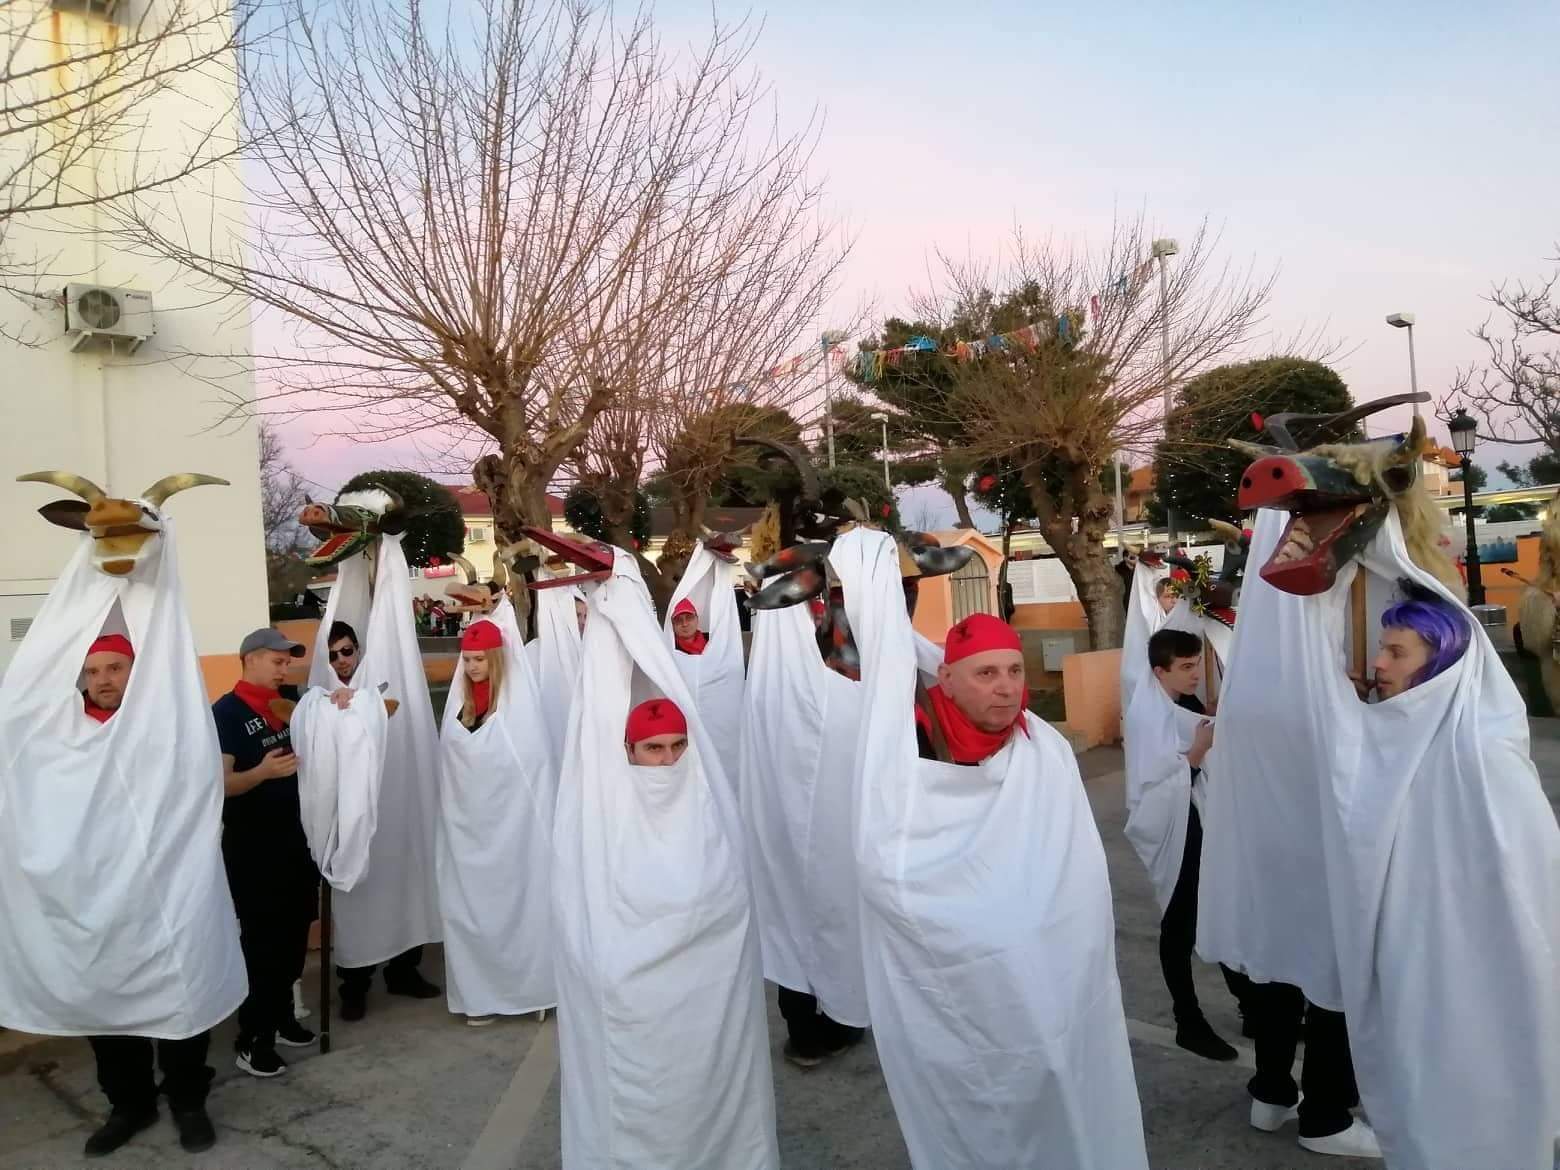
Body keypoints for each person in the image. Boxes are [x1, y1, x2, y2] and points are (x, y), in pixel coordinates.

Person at [836, 526, 1149, 1170]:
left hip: (1058, 984)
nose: (1006, 688)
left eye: (1013, 671)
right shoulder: (910, 745)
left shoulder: (1044, 750)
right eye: (985, 675)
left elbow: (1075, 874)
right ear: (946, 678)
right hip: (967, 991)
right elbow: (890, 867)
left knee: (1067, 1095)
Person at [555, 550, 777, 1170]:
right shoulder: (601, 823)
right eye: (652, 749)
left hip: (706, 1015)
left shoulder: (711, 815)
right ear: (627, 750)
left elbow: (730, 908)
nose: (668, 760)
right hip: (633, 1016)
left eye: (679, 746)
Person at [76, 636, 220, 1156]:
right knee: (110, 1003)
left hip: (168, 888)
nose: (103, 679)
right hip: (99, 897)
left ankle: (186, 1100)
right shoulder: (67, 734)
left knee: (180, 994)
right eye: (93, 671)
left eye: (114, 667)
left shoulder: (170, 724)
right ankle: (130, 1104)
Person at [213, 629, 333, 1079]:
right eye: (278, 661)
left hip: (297, 841)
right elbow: (220, 784)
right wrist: (261, 772)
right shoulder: (225, 712)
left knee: (294, 937)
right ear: (251, 660)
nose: (285, 669)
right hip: (253, 848)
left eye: (287, 662)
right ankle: (253, 1037)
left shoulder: (293, 704)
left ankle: (281, 1019)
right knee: (263, 946)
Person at [1124, 629, 1248, 1063]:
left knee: (1214, 911)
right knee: (1180, 923)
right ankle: (1187, 1021)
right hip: (1174, 828)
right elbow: (1149, 786)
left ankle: (1249, 1005)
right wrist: (1196, 752)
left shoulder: (1181, 704)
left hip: (1196, 820)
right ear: (1160, 671)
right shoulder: (1147, 715)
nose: (1197, 674)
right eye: (1187, 668)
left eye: (1198, 665)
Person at [436, 618, 557, 1027]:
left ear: (496, 659)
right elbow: (451, 762)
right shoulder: (458, 707)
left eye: (479, 660)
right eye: (467, 660)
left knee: (522, 904)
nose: (471, 667)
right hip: (469, 832)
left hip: (514, 832)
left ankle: (532, 989)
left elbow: (532, 765)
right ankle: (481, 994)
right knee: (473, 911)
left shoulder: (518, 709)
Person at [322, 619, 442, 1020]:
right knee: (358, 902)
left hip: (393, 805)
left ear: (359, 650)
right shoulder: (320, 694)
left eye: (347, 651)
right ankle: (354, 985)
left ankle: (403, 971)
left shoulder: (383, 679)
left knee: (403, 887)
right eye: (333, 654)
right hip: (353, 817)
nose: (342, 661)